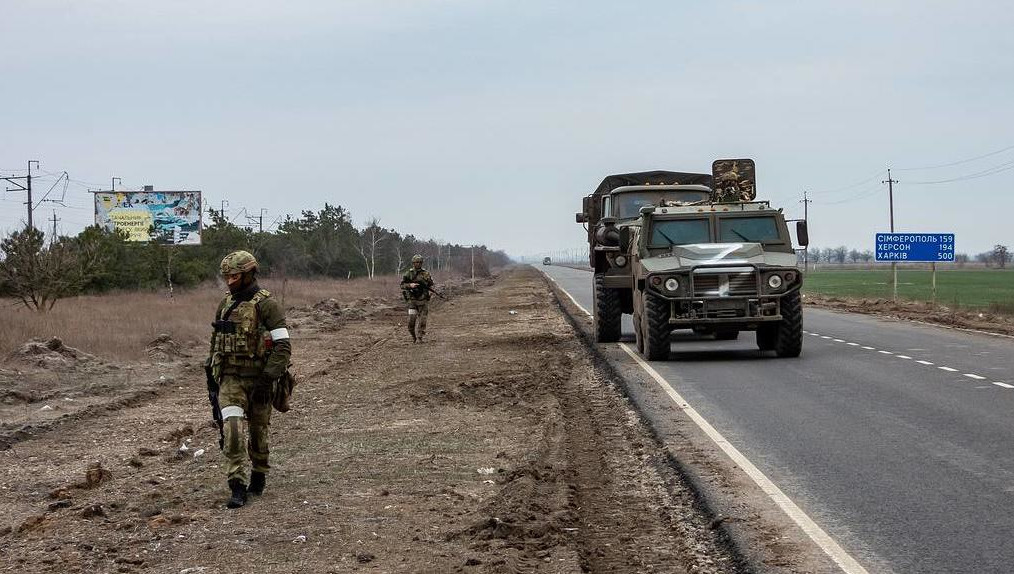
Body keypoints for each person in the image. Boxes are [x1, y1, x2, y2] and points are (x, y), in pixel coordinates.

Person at [206, 250, 291, 509]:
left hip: (260, 380)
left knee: (258, 433)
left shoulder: (268, 305)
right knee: (232, 429)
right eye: (227, 276)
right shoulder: (225, 304)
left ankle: (259, 474)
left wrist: (267, 381)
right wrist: (211, 375)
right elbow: (216, 343)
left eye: (234, 276)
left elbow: (283, 346)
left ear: (249, 274)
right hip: (231, 379)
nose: (229, 281)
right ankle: (236, 484)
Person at [400, 254, 434, 343]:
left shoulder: (426, 273)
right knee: (412, 320)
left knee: (423, 320)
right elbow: (402, 285)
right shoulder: (408, 273)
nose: (418, 264)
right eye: (416, 262)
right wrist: (410, 285)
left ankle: (420, 337)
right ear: (413, 263)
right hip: (412, 300)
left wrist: (429, 292)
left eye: (420, 262)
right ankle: (413, 336)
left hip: (423, 300)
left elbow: (431, 284)